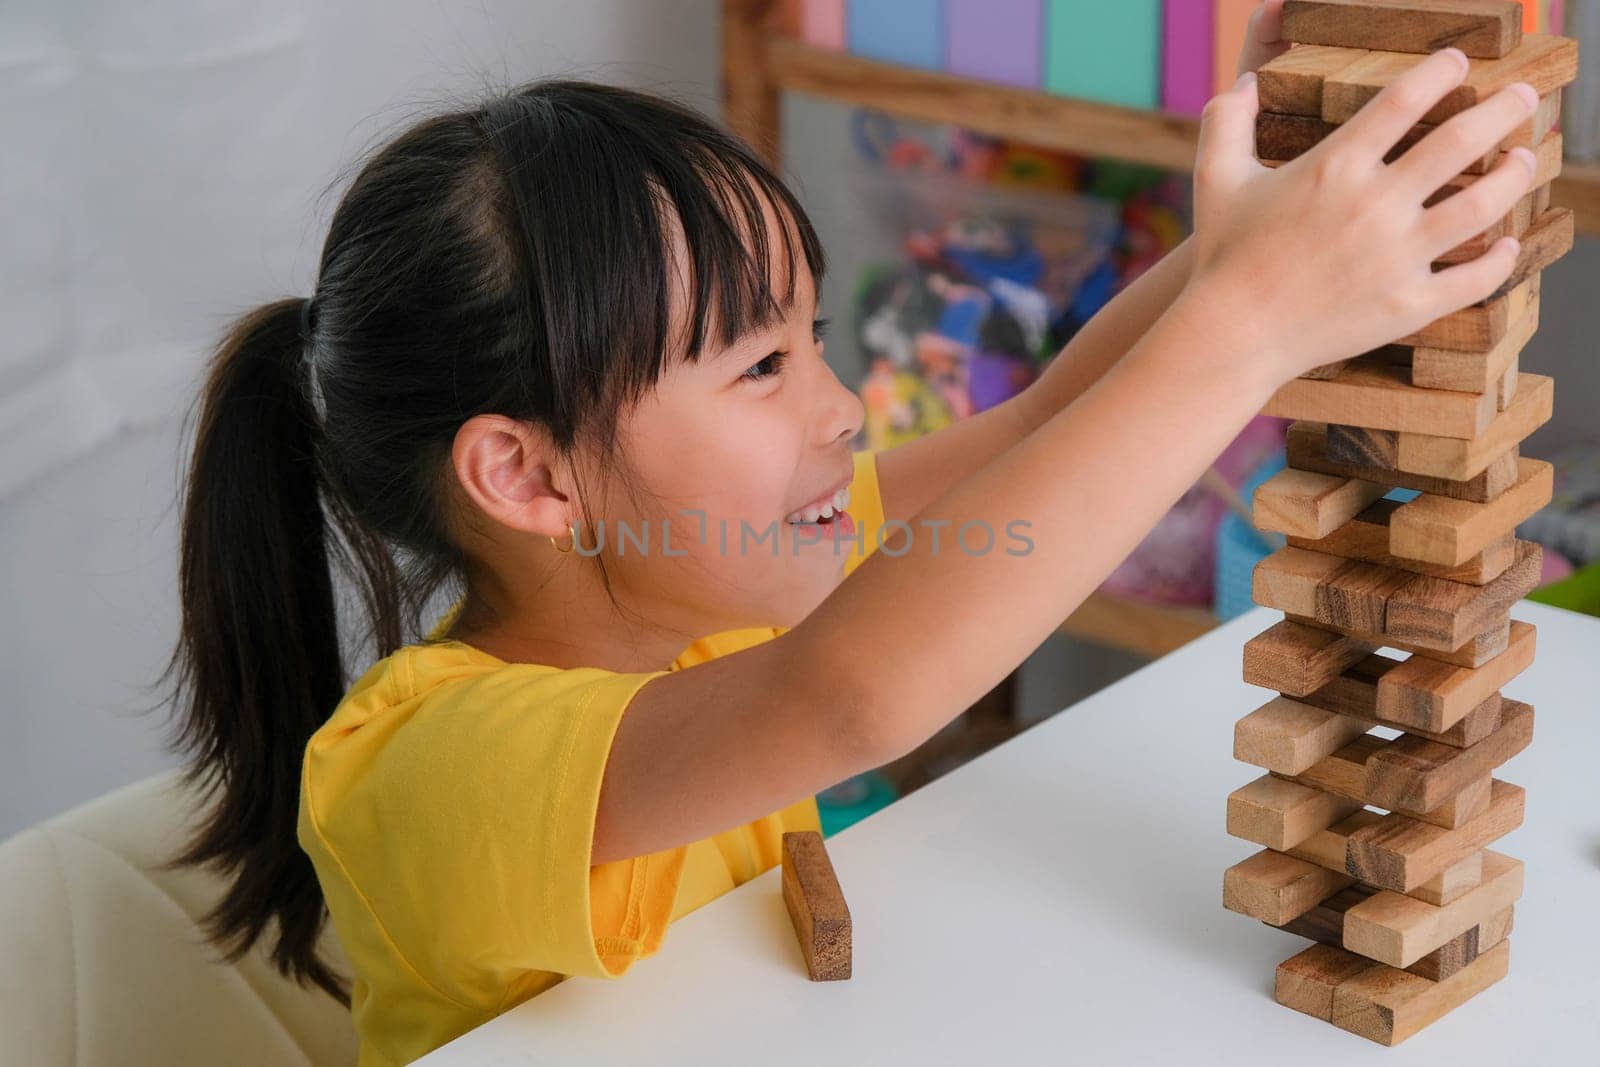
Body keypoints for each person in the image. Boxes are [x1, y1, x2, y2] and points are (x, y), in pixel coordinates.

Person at [159, 21, 1543, 1067]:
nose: (842, 407)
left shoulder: (719, 574)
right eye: (761, 368)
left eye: (811, 339)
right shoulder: (428, 764)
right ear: (527, 475)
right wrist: (1258, 324)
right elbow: (853, 695)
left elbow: (1044, 427)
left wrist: (1260, 244)